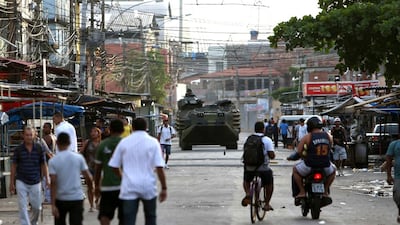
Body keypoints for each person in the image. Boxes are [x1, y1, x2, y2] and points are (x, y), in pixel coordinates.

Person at [108, 118, 167, 225]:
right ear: (146, 127)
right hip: (148, 186)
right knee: (150, 217)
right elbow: (159, 168)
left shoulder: (124, 142)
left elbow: (114, 165)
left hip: (129, 187)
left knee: (129, 219)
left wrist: (123, 178)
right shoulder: (153, 142)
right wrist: (164, 188)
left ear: (132, 127)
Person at [49, 132, 93, 225]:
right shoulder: (78, 158)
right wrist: (91, 189)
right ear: (69, 143)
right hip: (76, 197)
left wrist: (53, 205)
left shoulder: (53, 161)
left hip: (60, 198)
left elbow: (53, 183)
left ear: (57, 143)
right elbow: (88, 177)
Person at [9, 126, 50, 225]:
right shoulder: (18, 150)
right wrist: (11, 183)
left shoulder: (39, 148)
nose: (29, 137)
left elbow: (44, 164)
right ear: (23, 136)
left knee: (37, 206)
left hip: (35, 180)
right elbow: (14, 166)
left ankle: (33, 222)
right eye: (27, 135)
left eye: (31, 135)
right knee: (22, 206)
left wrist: (47, 178)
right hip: (21, 180)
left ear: (35, 135)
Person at [292, 117, 336, 201]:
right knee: (333, 171)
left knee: (295, 170)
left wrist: (301, 156)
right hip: (325, 166)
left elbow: (299, 151)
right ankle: (326, 191)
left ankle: (302, 191)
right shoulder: (328, 136)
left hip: (309, 166)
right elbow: (330, 148)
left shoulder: (307, 137)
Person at [94, 119, 125, 225]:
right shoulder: (126, 144)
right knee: (125, 216)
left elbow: (98, 168)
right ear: (122, 130)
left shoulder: (102, 145)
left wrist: (96, 186)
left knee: (104, 215)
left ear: (110, 129)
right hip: (125, 186)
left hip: (107, 186)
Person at [241, 121, 275, 211]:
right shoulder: (267, 140)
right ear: (263, 129)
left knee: (246, 180)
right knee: (269, 182)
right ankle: (267, 203)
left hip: (249, 167)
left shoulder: (249, 139)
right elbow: (271, 155)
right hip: (262, 168)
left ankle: (248, 193)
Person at [80, 126, 102, 212]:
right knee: (90, 187)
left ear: (98, 133)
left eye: (95, 131)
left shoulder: (101, 143)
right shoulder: (87, 142)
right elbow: (81, 152)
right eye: (92, 131)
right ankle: (91, 205)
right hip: (88, 167)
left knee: (98, 187)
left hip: (99, 168)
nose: (93, 133)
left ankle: (97, 201)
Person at [386, 136, 400, 223]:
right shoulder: (394, 144)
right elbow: (388, 159)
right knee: (397, 196)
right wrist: (389, 175)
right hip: (398, 176)